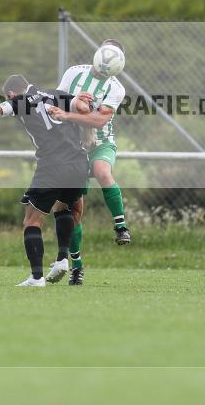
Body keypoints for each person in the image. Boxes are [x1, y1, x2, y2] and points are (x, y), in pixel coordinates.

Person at [0, 75, 92, 287]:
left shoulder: (20, 101)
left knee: (31, 220)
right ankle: (62, 259)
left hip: (53, 164)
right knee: (64, 207)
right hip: (79, 162)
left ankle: (36, 277)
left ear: (11, 94)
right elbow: (84, 107)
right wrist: (88, 134)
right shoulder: (57, 94)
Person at [56, 39, 129, 286]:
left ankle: (120, 226)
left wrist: (70, 113)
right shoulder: (74, 72)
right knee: (71, 209)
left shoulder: (116, 88)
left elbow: (99, 121)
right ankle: (76, 266)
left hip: (101, 143)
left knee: (102, 170)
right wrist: (75, 101)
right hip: (72, 147)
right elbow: (55, 102)